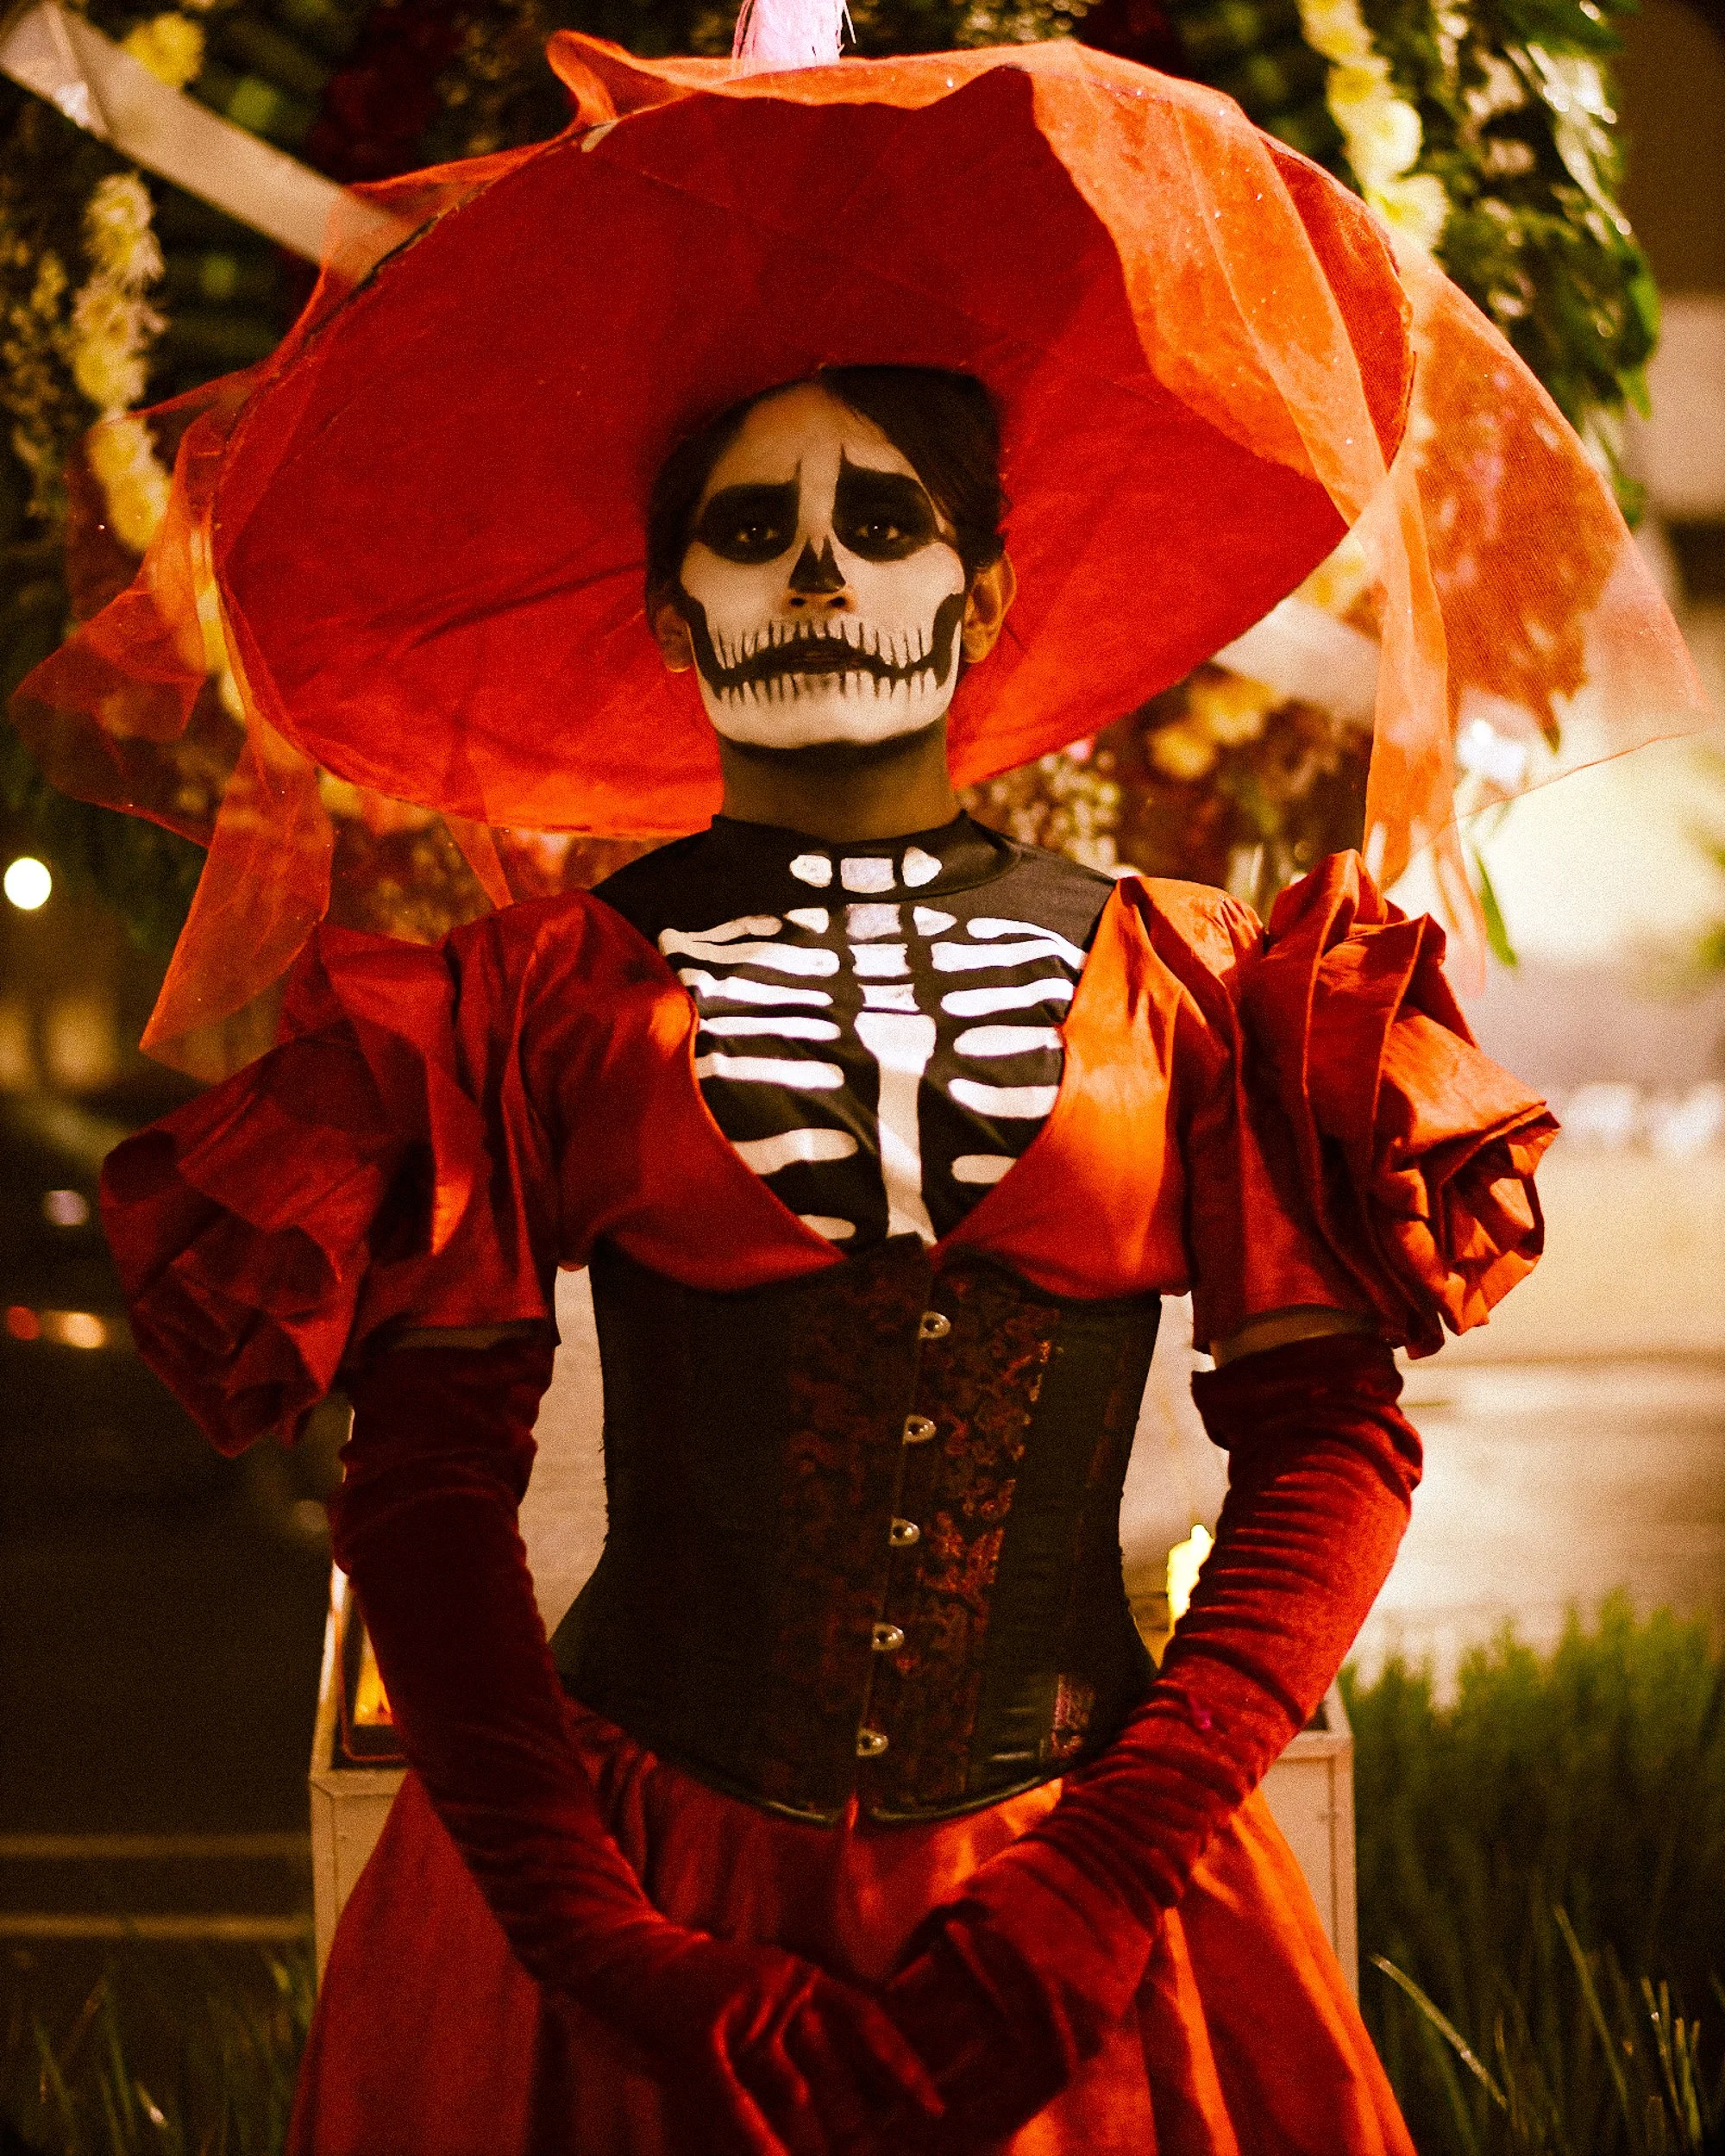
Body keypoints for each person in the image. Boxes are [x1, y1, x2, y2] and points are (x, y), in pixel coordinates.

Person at [17, 28, 1699, 2156]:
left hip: (1082, 1898)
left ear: (979, 592)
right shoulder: (523, 1006)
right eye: (749, 527)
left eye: (879, 519)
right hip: (629, 1904)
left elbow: (1327, 1445)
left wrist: (1095, 1887)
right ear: (666, 600)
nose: (816, 569)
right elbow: (428, 1493)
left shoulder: (1198, 975)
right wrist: (607, 1943)